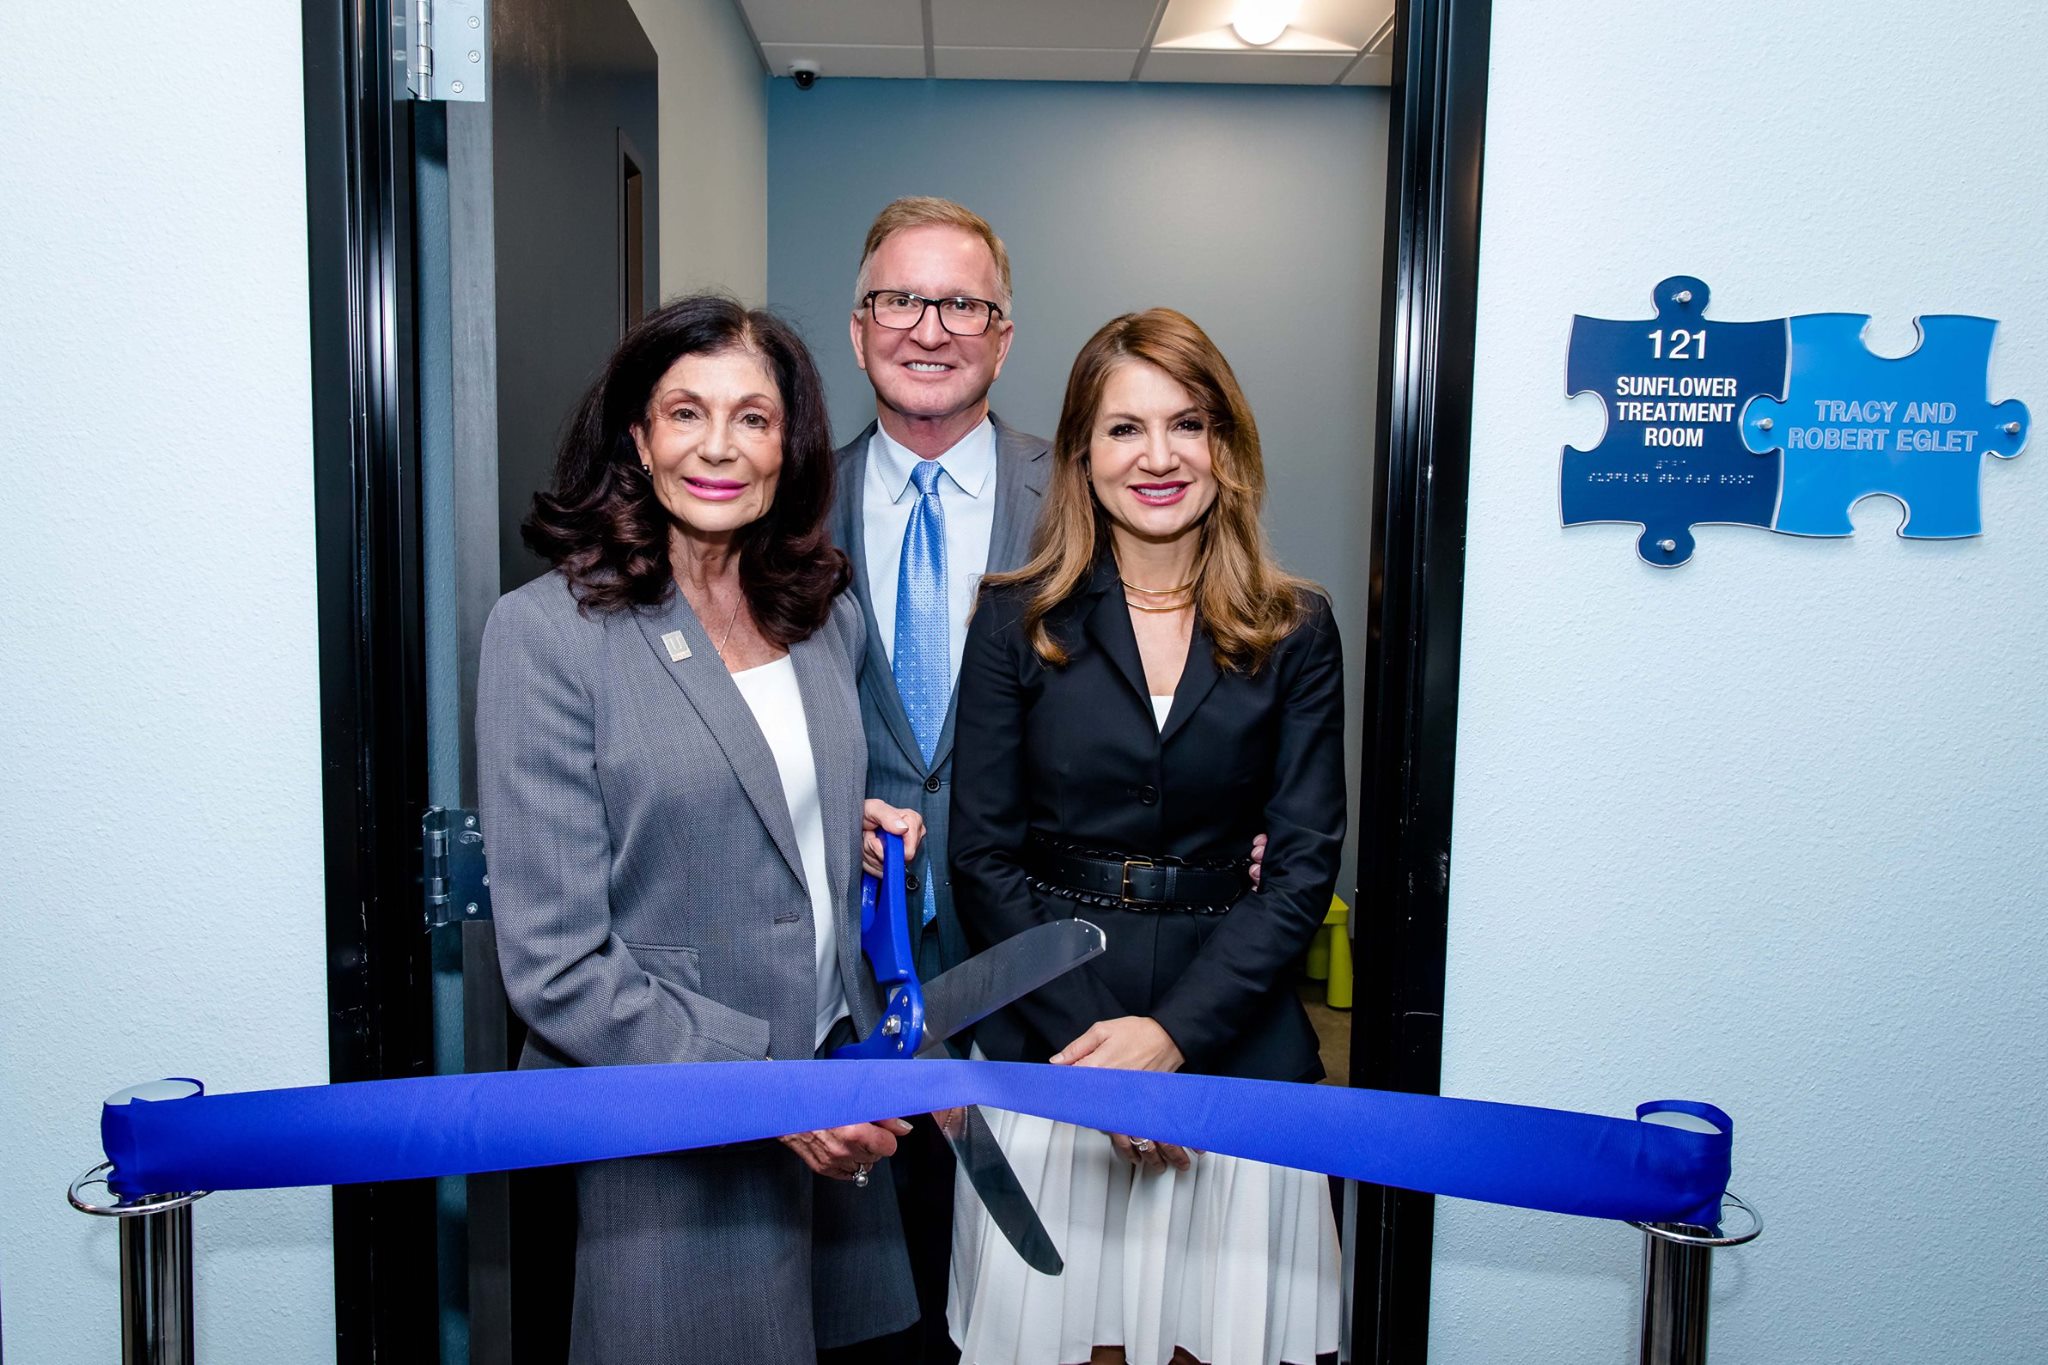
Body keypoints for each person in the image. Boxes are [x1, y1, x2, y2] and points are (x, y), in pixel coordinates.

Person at [477, 294, 925, 1364]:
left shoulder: (820, 614)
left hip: (839, 1102)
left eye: (753, 418)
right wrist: (770, 1092)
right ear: (637, 437)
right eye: (686, 413)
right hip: (673, 1128)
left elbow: (758, 799)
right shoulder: (547, 633)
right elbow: (554, 964)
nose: (718, 447)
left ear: (790, 444)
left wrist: (844, 827)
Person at [948, 309, 1346, 1365]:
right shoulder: (1012, 619)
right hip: (1054, 1041)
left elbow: (1303, 865)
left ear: (1228, 444)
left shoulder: (1295, 624)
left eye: (1187, 423)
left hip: (1233, 1040)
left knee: (1212, 1345)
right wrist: (1104, 1061)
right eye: (1124, 429)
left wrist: (1170, 1039)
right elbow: (981, 859)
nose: (1158, 457)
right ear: (1081, 452)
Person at [826, 196, 1051, 1362]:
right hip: (837, 983)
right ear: (858, 330)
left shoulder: (1081, 495)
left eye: (959, 302)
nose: (928, 326)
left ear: (1001, 335)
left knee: (1031, 1303)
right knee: (866, 1311)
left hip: (1037, 969)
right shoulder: (775, 503)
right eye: (897, 300)